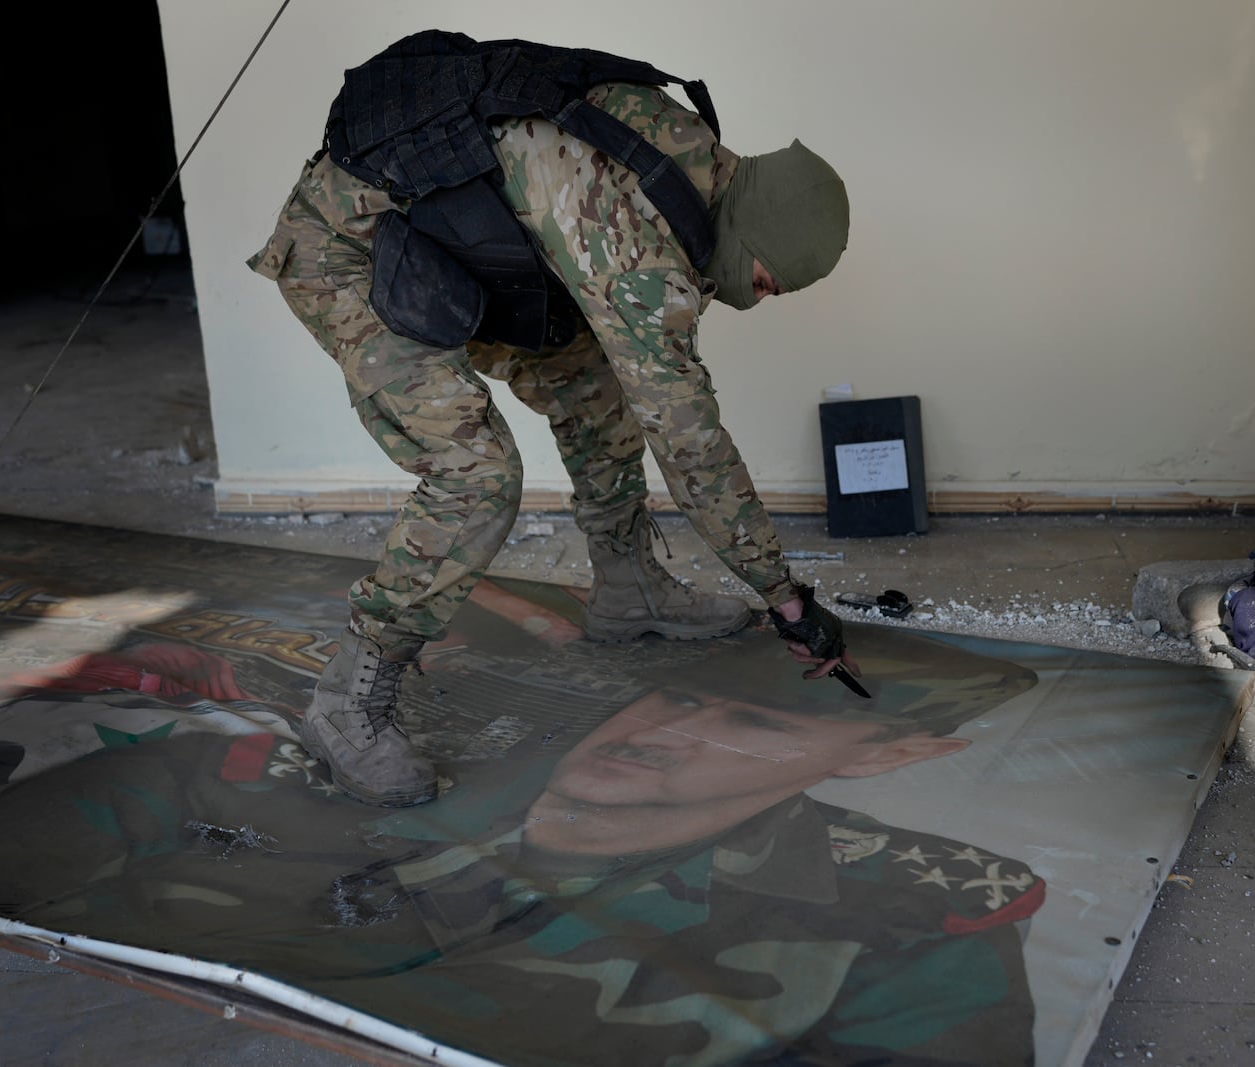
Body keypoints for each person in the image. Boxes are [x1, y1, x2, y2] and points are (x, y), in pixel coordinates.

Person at [246, 28, 857, 808]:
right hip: (349, 252)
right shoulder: (637, 247)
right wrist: (785, 595)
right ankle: (349, 698)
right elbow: (688, 436)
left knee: (590, 380)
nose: (758, 296)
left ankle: (627, 585)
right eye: (769, 281)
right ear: (757, 231)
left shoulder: (685, 150)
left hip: (455, 246)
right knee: (476, 475)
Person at [353, 626, 1047, 1065]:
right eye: (677, 700)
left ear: (886, 754)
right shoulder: (413, 770)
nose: (657, 735)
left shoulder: (909, 915)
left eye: (753, 722)